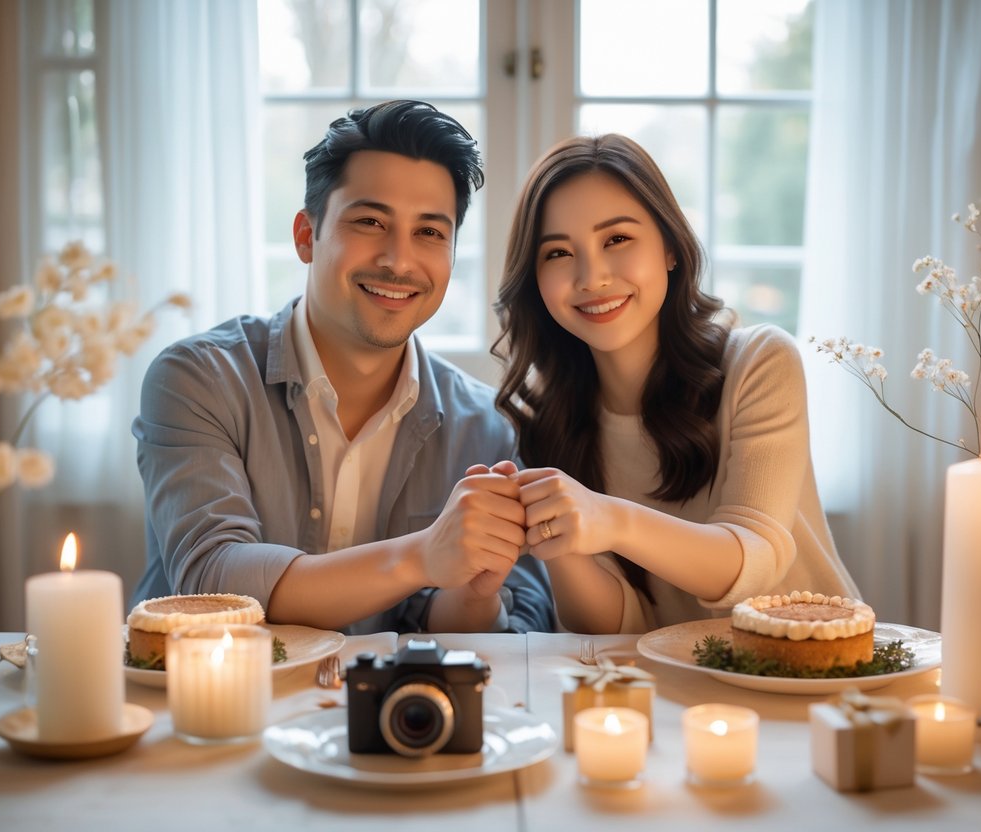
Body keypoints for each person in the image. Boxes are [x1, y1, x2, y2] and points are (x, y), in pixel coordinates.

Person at [132, 100, 554, 634]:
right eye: (370, 221)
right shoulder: (199, 380)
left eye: (429, 232)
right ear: (306, 236)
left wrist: (473, 591)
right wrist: (424, 555)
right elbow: (211, 583)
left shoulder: (486, 429)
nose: (399, 261)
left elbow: (516, 626)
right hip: (209, 707)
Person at [492, 134, 858, 634]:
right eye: (557, 252)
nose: (591, 276)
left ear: (669, 247)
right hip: (677, 693)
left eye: (616, 239)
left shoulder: (759, 362)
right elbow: (610, 629)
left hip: (816, 675)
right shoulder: (548, 414)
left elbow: (754, 562)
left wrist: (609, 519)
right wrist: (553, 531)